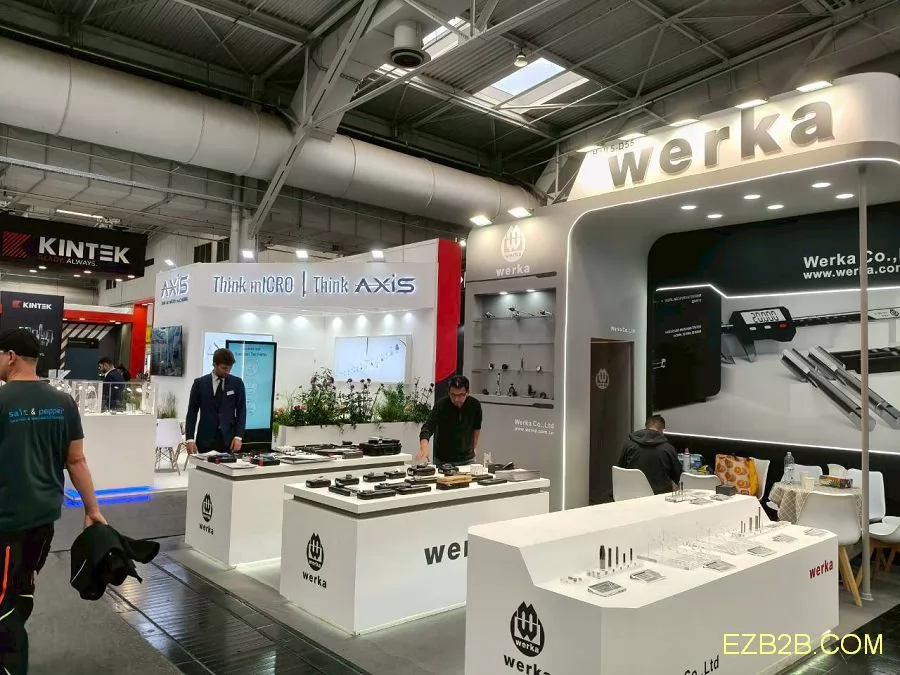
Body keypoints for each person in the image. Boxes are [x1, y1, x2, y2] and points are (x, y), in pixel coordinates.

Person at [0, 328, 106, 673]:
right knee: (22, 588)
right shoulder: (63, 402)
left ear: (10, 356)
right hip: (44, 520)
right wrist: (92, 509)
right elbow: (76, 461)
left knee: (4, 604)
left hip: (6, 521)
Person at [185, 348, 246, 454]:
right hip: (205, 439)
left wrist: (238, 436)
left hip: (229, 440)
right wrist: (189, 439)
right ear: (214, 364)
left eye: (229, 368)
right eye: (224, 368)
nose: (227, 371)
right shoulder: (199, 384)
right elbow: (192, 412)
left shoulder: (237, 383)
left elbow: (242, 411)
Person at [417, 375, 482, 466]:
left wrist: (473, 449)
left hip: (467, 459)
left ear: (467, 392)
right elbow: (428, 427)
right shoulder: (441, 405)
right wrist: (424, 447)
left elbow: (476, 428)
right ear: (449, 392)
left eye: (460, 395)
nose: (456, 399)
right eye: (453, 395)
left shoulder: (475, 405)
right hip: (443, 460)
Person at [617, 414, 683, 494]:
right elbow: (679, 477)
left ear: (646, 427)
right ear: (662, 430)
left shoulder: (629, 444)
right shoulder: (668, 448)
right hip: (659, 497)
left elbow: (620, 469)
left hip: (632, 495)